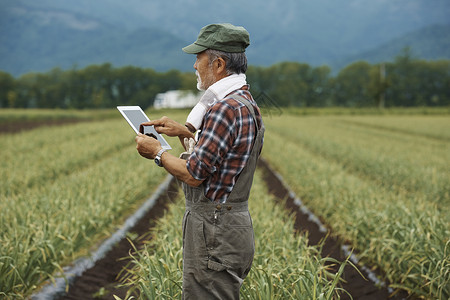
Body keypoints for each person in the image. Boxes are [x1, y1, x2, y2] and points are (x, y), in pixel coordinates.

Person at [135, 23, 264, 299]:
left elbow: (195, 174)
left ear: (217, 64)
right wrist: (185, 132)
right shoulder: (245, 101)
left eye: (199, 58)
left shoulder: (223, 109)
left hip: (214, 229)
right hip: (234, 226)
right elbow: (220, 158)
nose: (194, 66)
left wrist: (157, 152)